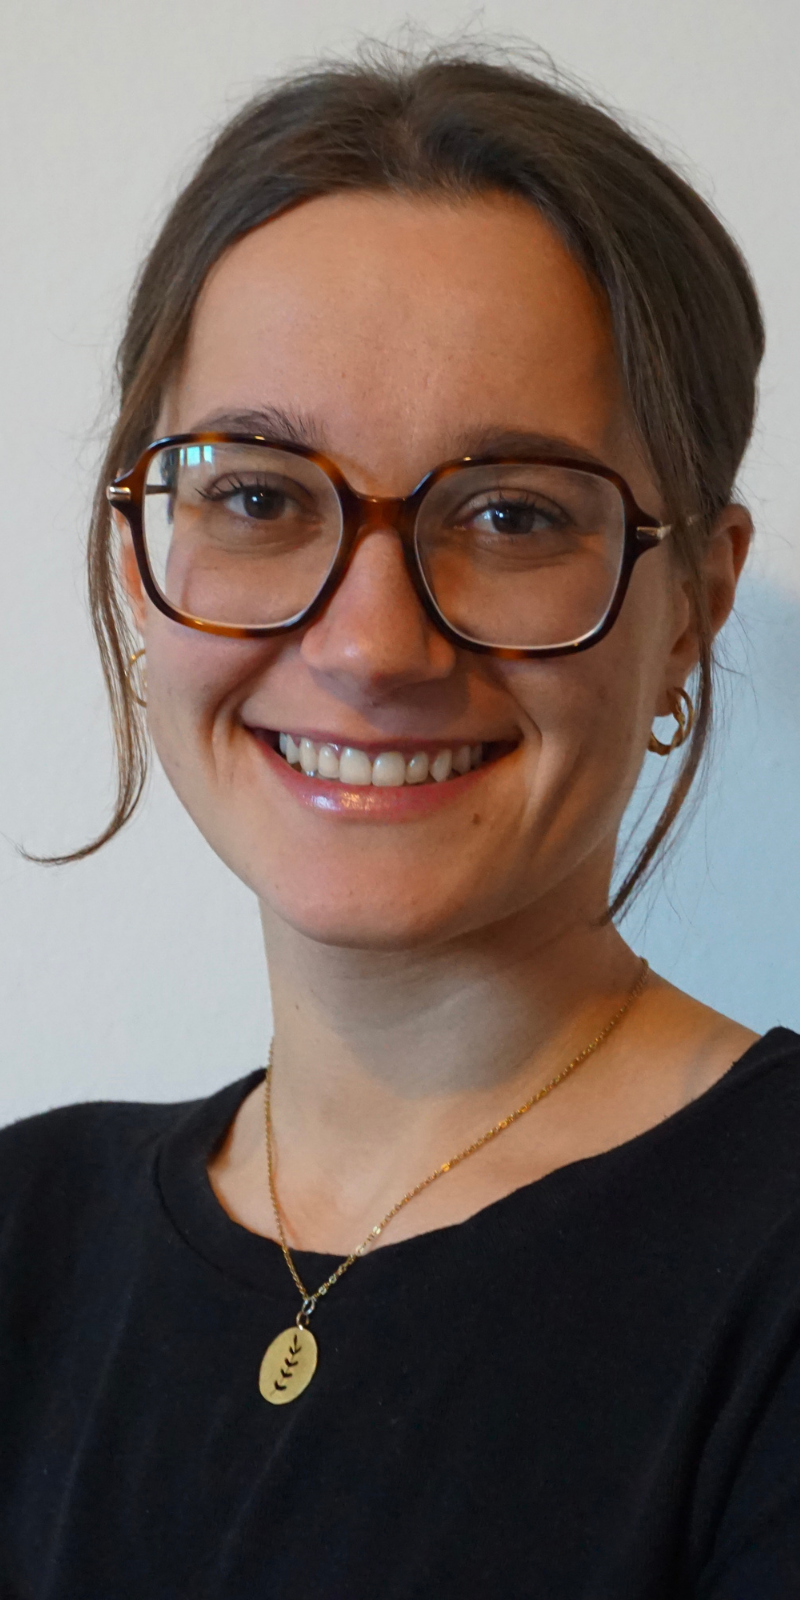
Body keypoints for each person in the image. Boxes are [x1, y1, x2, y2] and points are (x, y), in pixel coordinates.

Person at [2, 45, 799, 1600]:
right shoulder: (27, 1233)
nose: (371, 646)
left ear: (694, 605)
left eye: (511, 515)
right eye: (256, 496)